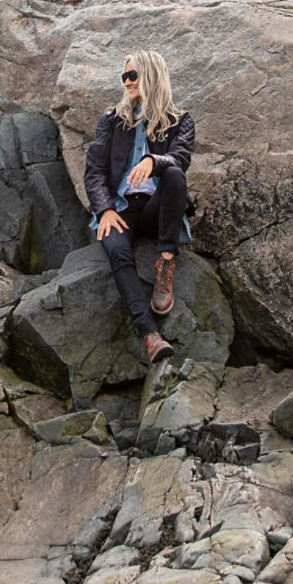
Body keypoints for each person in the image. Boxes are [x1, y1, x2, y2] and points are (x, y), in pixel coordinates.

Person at [84, 50, 195, 365]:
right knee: (117, 252)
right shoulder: (111, 120)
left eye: (133, 75)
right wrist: (104, 209)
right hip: (120, 208)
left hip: (157, 208)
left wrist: (152, 161)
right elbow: (94, 171)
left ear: (151, 75)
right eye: (124, 77)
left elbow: (180, 158)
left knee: (173, 174)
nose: (127, 82)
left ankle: (166, 261)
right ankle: (150, 335)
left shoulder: (180, 120)